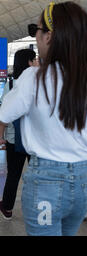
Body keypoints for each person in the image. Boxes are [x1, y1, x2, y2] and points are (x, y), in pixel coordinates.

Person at [0, 1, 87, 236]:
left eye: (37, 31)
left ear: (49, 36)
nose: (37, 37)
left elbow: (2, 116)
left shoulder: (34, 78)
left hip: (45, 184)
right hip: (82, 184)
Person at [0, 49, 38, 220]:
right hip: (34, 140)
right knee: (38, 175)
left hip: (14, 139)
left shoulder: (10, 85)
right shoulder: (38, 83)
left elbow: (4, 114)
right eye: (34, 59)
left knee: (13, 175)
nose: (36, 62)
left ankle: (7, 208)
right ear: (29, 63)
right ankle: (40, 208)